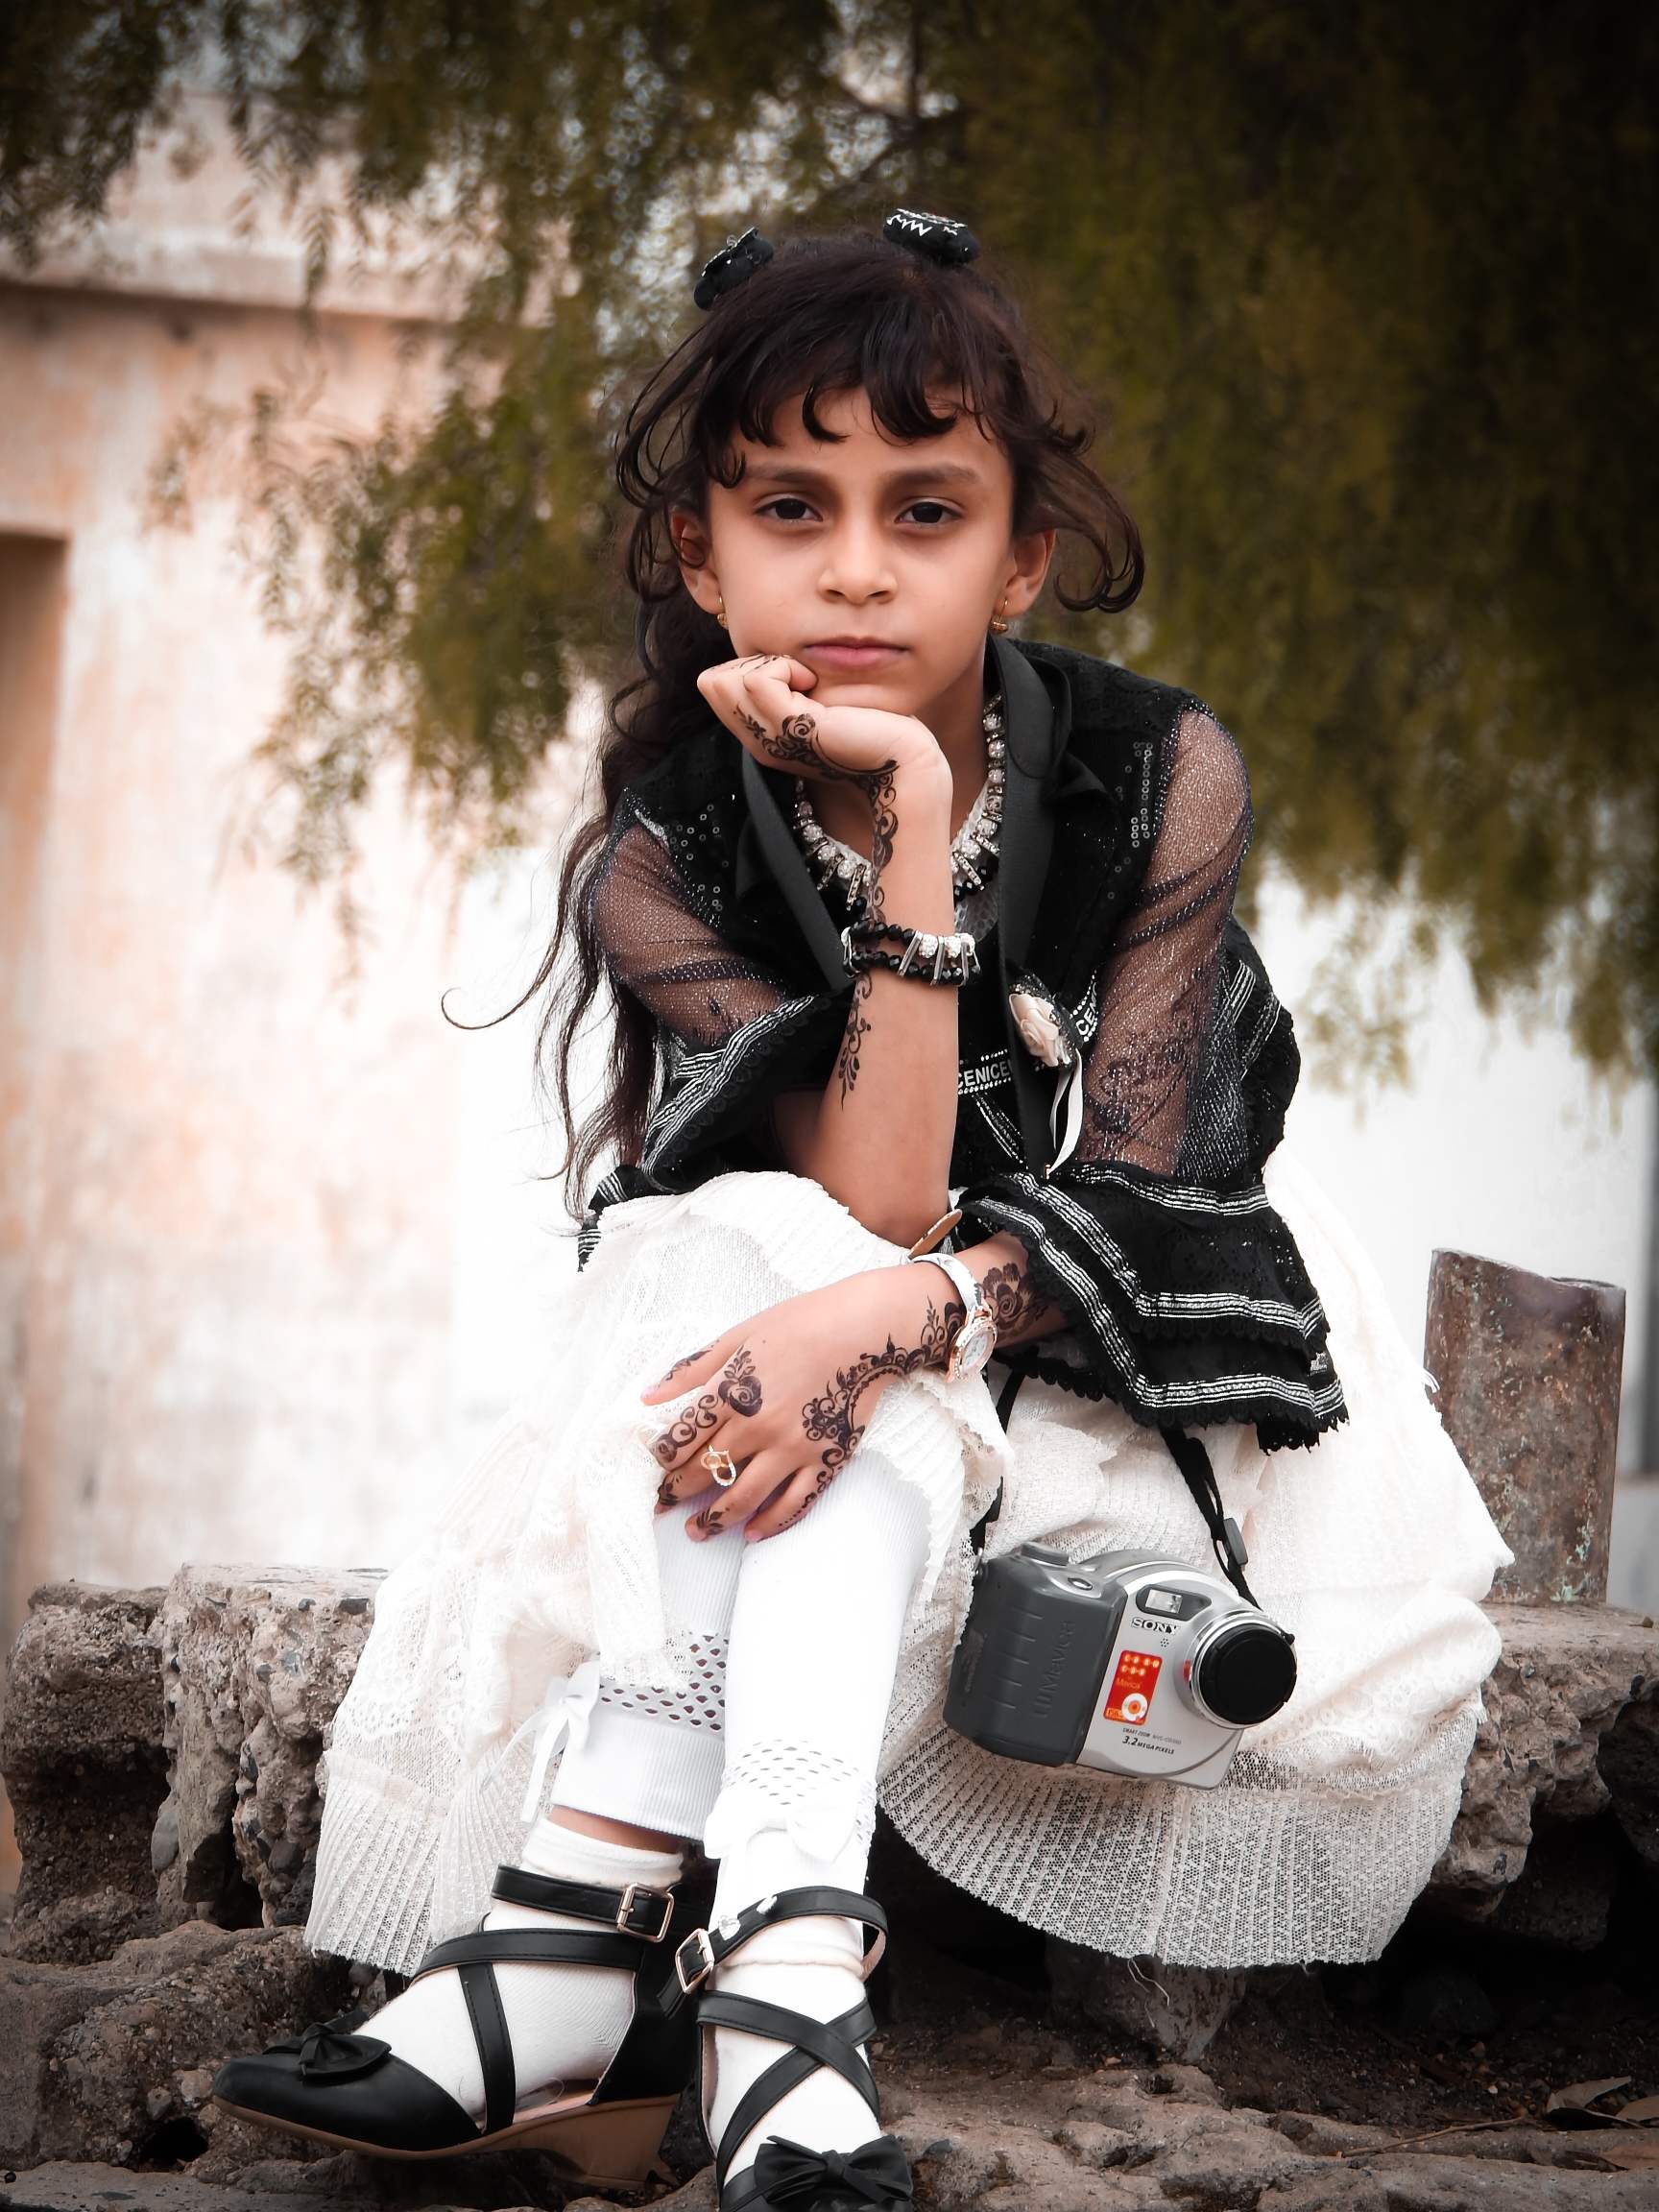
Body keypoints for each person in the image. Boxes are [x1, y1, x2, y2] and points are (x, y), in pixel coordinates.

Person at [211, 210, 1511, 2212]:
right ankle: (787, 1990)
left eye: (926, 512)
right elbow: (873, 1200)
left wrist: (888, 1316)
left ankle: (572, 1956)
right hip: (825, 1375)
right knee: (763, 1250)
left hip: (1138, 1364)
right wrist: (910, 831)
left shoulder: (1158, 770)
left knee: (794, 1297)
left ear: (1021, 556)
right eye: (789, 508)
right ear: (700, 553)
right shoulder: (661, 850)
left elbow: (1151, 1191)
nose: (854, 568)